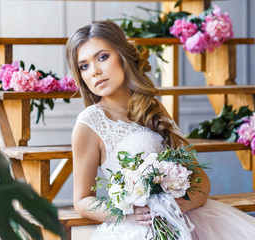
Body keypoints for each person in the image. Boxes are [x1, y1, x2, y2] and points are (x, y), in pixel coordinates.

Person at [66, 20, 255, 239]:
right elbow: (82, 201)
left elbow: (201, 182)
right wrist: (127, 213)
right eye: (84, 66)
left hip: (186, 218)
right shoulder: (89, 123)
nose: (95, 71)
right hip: (137, 226)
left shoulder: (153, 108)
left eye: (102, 57)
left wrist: (173, 207)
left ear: (122, 55)